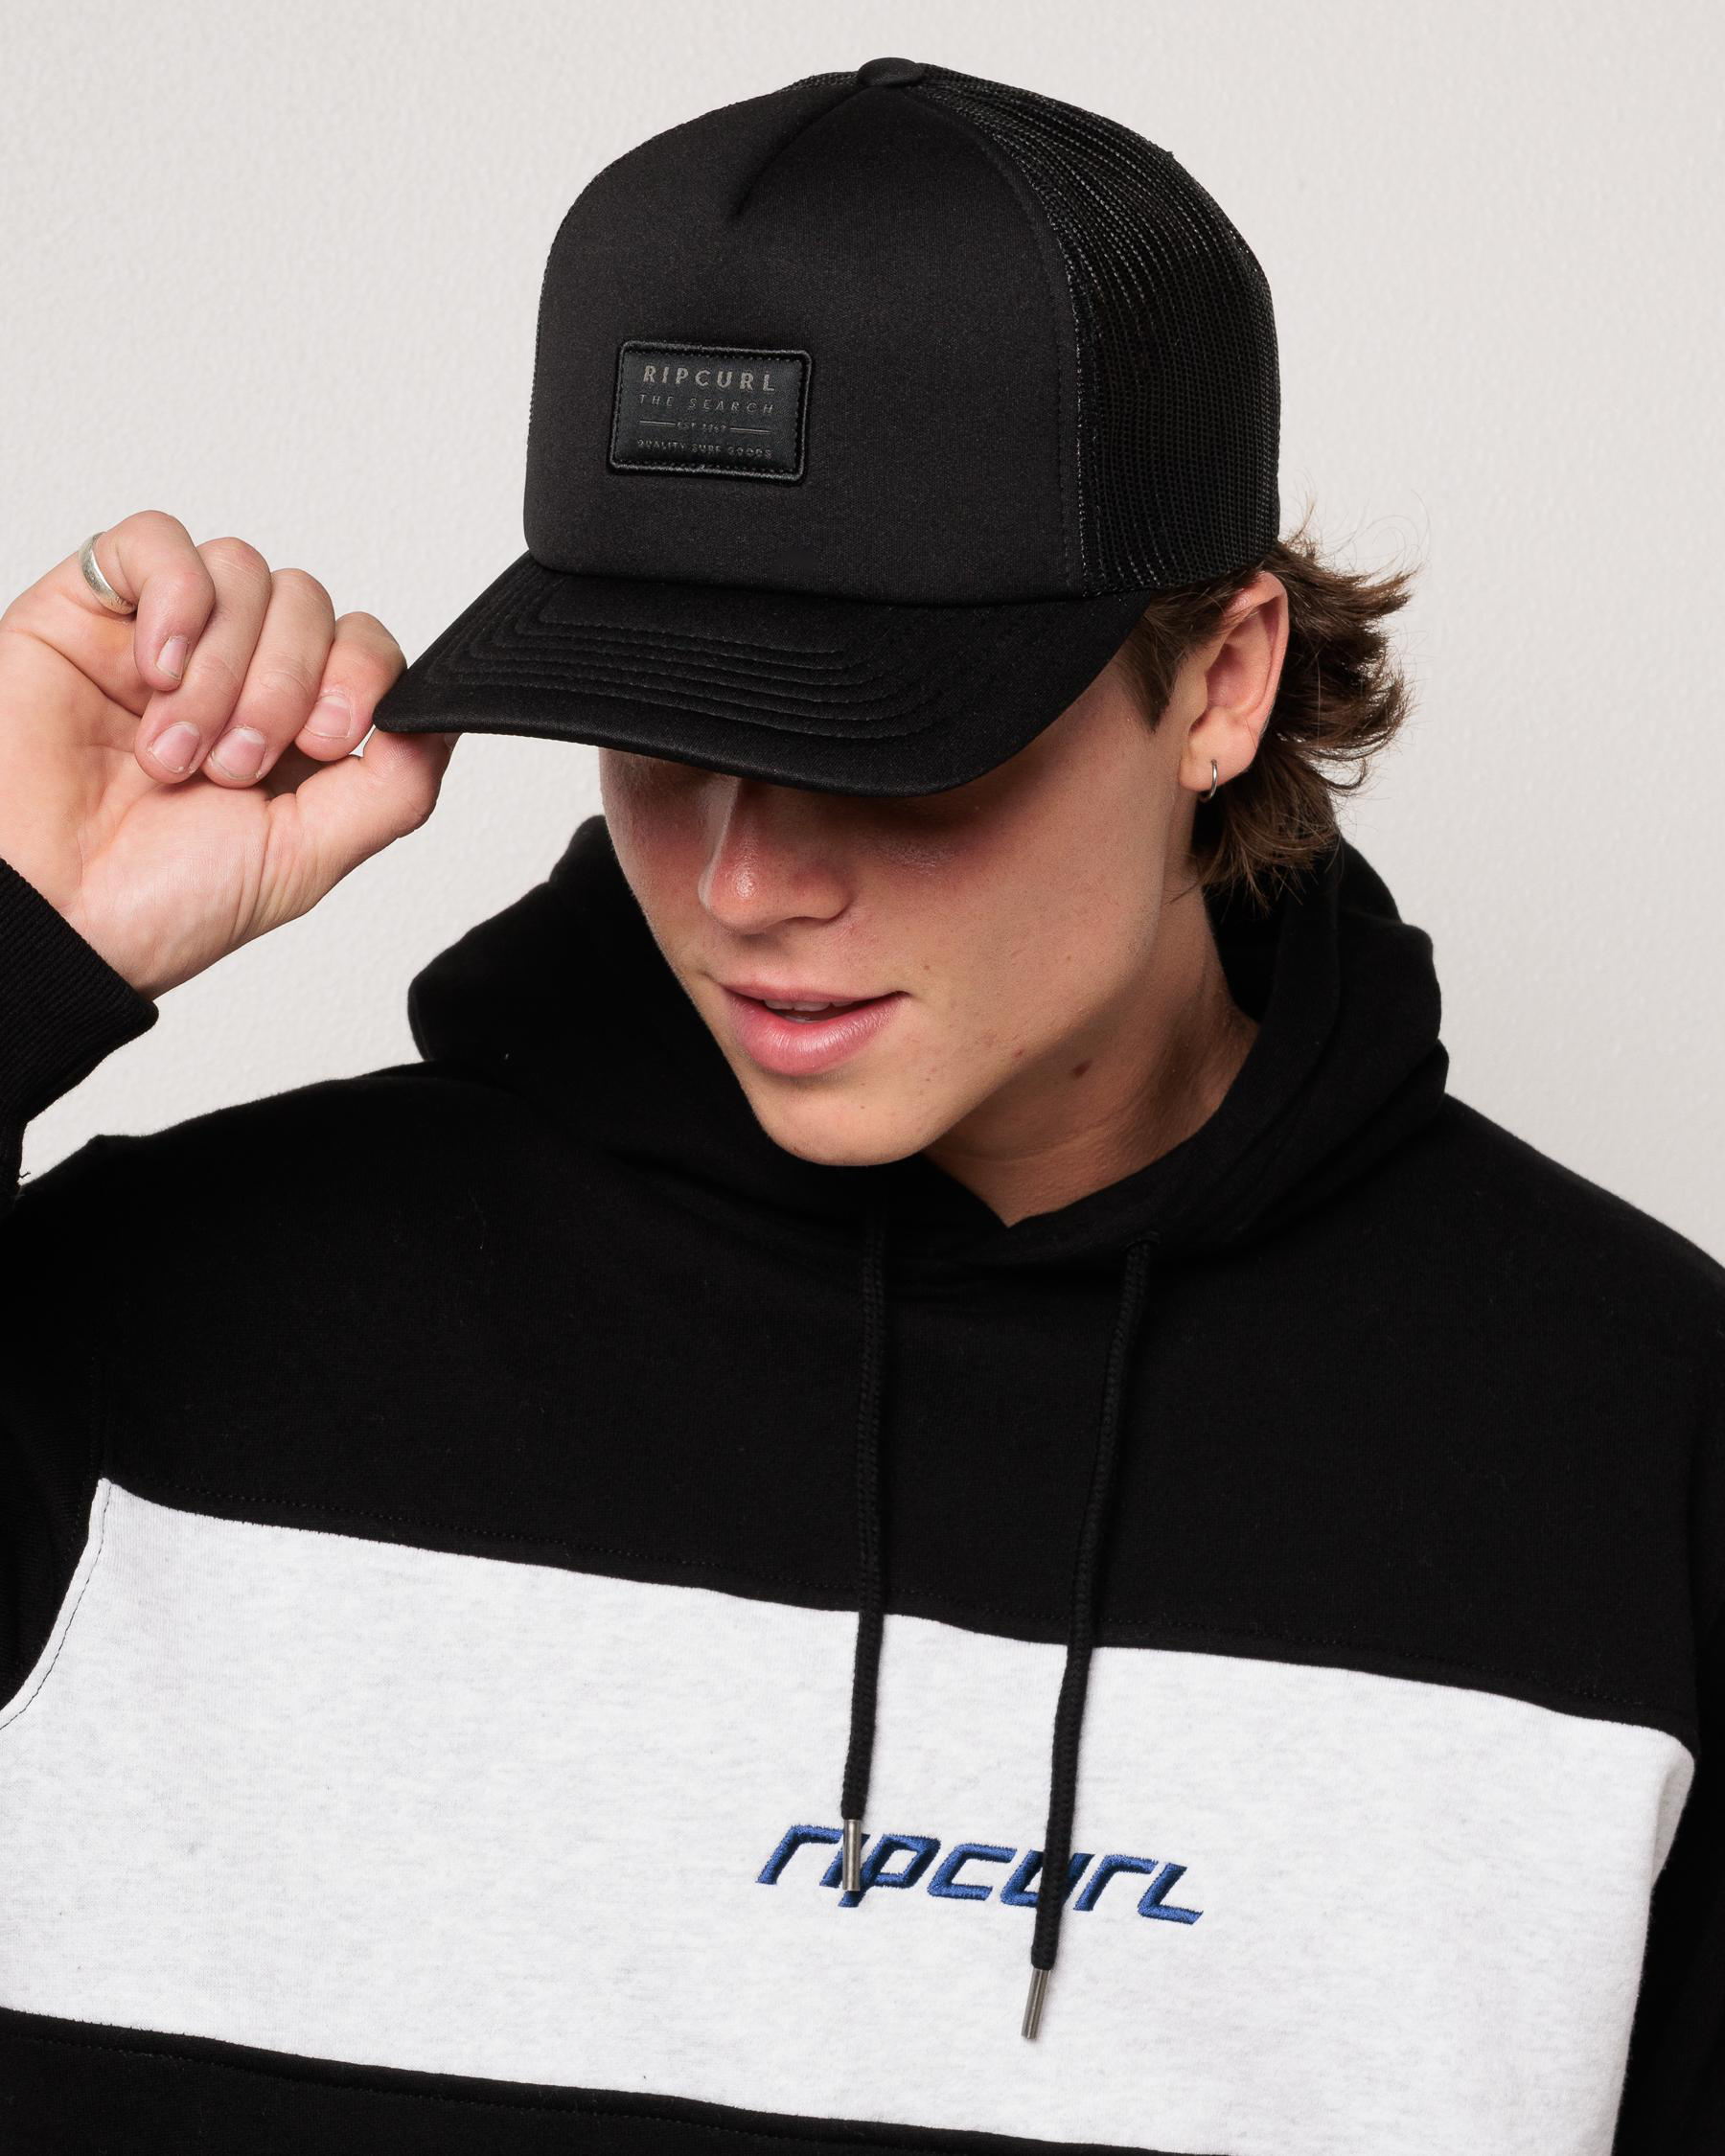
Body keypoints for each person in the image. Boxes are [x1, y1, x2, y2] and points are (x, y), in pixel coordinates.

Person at [1, 55, 1719, 2156]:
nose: (745, 881)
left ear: (1223, 679)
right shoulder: (145, 1329)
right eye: (660, 731)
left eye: (886, 751)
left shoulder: (1644, 1453)